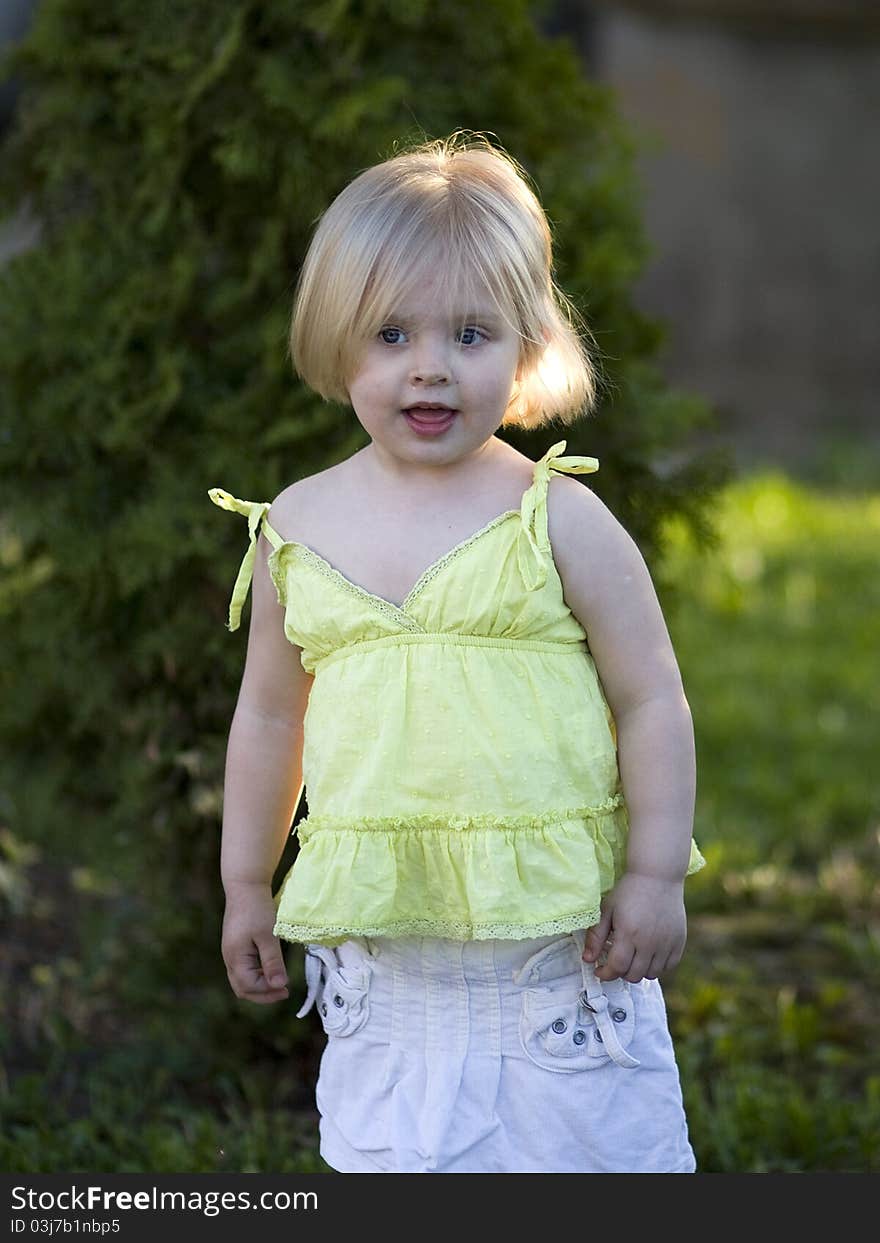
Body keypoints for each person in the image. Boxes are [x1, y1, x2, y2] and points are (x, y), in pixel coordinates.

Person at [209, 131, 706, 1174]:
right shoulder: (295, 527)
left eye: (471, 333)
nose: (429, 364)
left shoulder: (554, 517)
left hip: (558, 959)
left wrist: (656, 872)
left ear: (526, 346)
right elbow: (268, 716)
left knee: (584, 1156)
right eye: (390, 333)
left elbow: (649, 696)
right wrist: (246, 883)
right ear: (334, 338)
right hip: (394, 967)